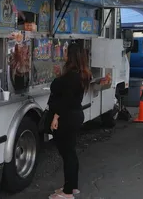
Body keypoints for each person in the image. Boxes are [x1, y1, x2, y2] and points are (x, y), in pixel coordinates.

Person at [48, 43, 92, 199]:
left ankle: (67, 193)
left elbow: (65, 100)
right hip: (75, 115)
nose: (64, 53)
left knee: (67, 153)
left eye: (66, 51)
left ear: (72, 55)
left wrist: (55, 116)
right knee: (71, 152)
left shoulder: (71, 76)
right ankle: (72, 186)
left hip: (66, 117)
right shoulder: (81, 73)